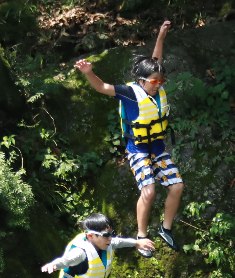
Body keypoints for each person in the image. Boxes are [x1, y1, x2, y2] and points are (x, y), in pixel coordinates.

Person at [74, 20, 184, 248]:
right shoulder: (130, 93)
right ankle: (142, 235)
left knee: (177, 186)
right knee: (149, 190)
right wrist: (89, 73)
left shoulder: (156, 87)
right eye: (154, 81)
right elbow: (102, 88)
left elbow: (156, 62)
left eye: (160, 80)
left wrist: (161, 38)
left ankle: (166, 228)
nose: (158, 84)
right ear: (141, 80)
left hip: (158, 149)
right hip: (138, 151)